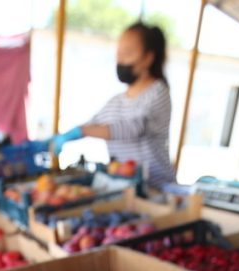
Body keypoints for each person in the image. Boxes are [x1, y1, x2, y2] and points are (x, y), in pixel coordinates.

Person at [51, 22, 175, 188]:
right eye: (119, 52)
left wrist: (82, 131)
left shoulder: (158, 92)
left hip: (157, 188)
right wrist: (60, 138)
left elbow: (134, 128)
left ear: (148, 58)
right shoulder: (116, 101)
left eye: (128, 53)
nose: (121, 59)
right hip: (126, 186)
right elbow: (93, 123)